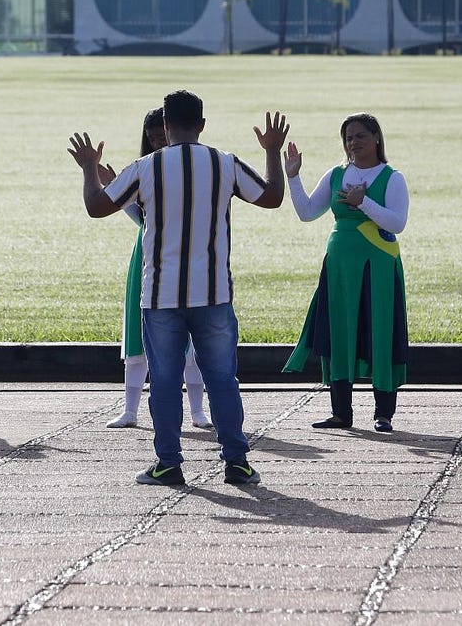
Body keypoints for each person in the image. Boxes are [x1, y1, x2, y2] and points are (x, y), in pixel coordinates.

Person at [69, 90, 287, 487]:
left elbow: (97, 207)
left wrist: (89, 167)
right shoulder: (225, 163)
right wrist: (272, 151)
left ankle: (168, 462)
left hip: (161, 295)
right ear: (202, 125)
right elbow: (272, 197)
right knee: (222, 379)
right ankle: (236, 461)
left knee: (165, 382)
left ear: (165, 127)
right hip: (214, 293)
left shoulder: (146, 166)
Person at [283, 113, 410, 432]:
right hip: (340, 264)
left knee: (380, 329)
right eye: (349, 137)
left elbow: (397, 223)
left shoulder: (392, 177)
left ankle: (384, 413)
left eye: (360, 136)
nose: (354, 142)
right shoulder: (336, 174)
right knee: (340, 331)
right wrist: (293, 177)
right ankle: (341, 412)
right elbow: (307, 212)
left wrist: (363, 202)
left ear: (377, 137)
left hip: (378, 263)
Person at [102, 107, 211, 430]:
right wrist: (116, 194)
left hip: (186, 254)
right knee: (138, 330)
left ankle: (197, 409)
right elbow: (144, 219)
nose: (156, 143)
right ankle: (131, 409)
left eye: (160, 137)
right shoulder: (146, 169)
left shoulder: (195, 168)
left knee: (192, 335)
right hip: (148, 253)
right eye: (151, 139)